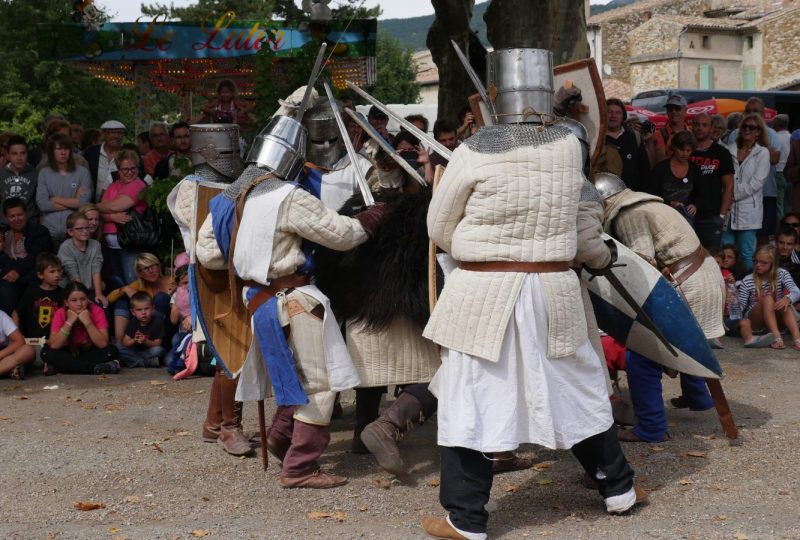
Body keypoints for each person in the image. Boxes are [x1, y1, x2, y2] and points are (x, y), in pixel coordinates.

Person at [420, 50, 641, 540]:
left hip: (485, 292)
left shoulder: (473, 150)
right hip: (553, 288)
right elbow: (581, 216)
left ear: (494, 97)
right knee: (575, 387)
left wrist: (483, 253)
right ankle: (619, 489)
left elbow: (439, 225)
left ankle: (466, 518)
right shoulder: (569, 145)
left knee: (472, 396)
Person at [195, 105, 387, 489]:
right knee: (320, 381)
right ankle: (299, 467)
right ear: (294, 159)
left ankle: (283, 438)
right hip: (295, 299)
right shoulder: (288, 197)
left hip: (258, 303)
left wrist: (246, 250)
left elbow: (206, 254)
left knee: (291, 377)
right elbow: (342, 235)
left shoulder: (227, 200)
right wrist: (371, 218)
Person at [595, 173, 724, 443]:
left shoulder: (629, 214)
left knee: (643, 356)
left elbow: (643, 266)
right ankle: (697, 396)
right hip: (702, 274)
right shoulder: (648, 205)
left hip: (688, 282)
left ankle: (651, 428)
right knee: (689, 342)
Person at [167, 123, 252, 458]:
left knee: (231, 349)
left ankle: (215, 422)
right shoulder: (191, 187)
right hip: (208, 274)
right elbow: (206, 231)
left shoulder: (234, 182)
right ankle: (228, 426)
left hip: (233, 271)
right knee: (230, 348)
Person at [722, 113, 771, 272]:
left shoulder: (762, 153)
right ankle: (727, 288)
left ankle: (749, 291)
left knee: (747, 254)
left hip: (749, 211)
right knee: (725, 253)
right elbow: (724, 178)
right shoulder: (729, 150)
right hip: (728, 211)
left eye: (752, 127)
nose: (747, 129)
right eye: (744, 126)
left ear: (758, 132)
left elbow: (756, 183)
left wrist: (732, 195)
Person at [40, 282, 119, 375]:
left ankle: (61, 367)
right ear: (66, 302)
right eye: (74, 300)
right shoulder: (60, 313)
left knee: (111, 351)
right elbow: (54, 345)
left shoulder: (97, 311)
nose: (79, 304)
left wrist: (88, 322)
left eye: (83, 299)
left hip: (89, 351)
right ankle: (96, 369)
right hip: (68, 351)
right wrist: (69, 322)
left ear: (87, 299)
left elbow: (102, 344)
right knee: (46, 352)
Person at [96, 149, 148, 288]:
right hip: (111, 244)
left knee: (132, 283)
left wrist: (106, 208)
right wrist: (112, 216)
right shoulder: (113, 186)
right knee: (117, 284)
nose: (129, 172)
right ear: (118, 170)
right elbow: (99, 211)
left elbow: (114, 205)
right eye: (125, 169)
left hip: (130, 243)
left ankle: (136, 310)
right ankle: (121, 310)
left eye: (133, 168)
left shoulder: (138, 185)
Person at [738, 245, 800, 350]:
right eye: (756, 261)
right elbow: (740, 308)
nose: (758, 265)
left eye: (763, 262)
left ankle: (797, 339)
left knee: (785, 303)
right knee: (767, 298)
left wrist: (788, 298)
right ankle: (776, 338)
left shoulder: (782, 273)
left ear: (773, 264)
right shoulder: (748, 280)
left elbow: (796, 291)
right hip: (757, 322)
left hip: (777, 319)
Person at [35, 133, 92, 245]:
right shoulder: (44, 173)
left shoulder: (82, 172)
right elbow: (42, 204)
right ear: (52, 151)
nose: (63, 152)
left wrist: (54, 199)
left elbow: (83, 203)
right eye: (58, 149)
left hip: (74, 232)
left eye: (66, 148)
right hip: (49, 231)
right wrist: (73, 202)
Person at [106, 252, 174, 345]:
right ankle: (120, 345)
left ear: (159, 266)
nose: (151, 271)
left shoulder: (172, 281)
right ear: (140, 273)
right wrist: (125, 289)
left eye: (153, 266)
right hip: (145, 328)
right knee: (122, 302)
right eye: (146, 268)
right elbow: (109, 299)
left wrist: (177, 292)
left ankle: (155, 344)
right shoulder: (139, 285)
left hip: (166, 327)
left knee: (161, 297)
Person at [689, 112, 735, 248]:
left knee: (711, 259)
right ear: (691, 126)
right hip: (687, 215)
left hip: (711, 217)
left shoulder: (722, 153)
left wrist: (722, 215)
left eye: (704, 125)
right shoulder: (685, 151)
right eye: (697, 124)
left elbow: (729, 185)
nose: (700, 128)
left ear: (711, 128)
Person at [0, 198, 52, 315]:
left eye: (20, 214)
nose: (17, 219)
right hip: (8, 279)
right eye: (12, 216)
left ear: (26, 214)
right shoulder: (3, 235)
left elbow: (37, 258)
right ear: (6, 218)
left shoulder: (39, 231)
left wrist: (17, 272)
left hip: (32, 278)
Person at [12, 253, 63, 367]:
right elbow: (16, 313)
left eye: (59, 271)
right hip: (31, 341)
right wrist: (18, 335)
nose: (57, 275)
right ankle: (20, 367)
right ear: (40, 275)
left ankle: (44, 364)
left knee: (54, 354)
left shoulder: (62, 294)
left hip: (52, 343)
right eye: (52, 272)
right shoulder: (32, 290)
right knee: (23, 352)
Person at [651, 131, 702, 224]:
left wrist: (695, 205)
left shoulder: (694, 169)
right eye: (681, 150)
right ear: (674, 147)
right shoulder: (660, 168)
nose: (685, 154)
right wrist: (669, 203)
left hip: (686, 221)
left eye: (688, 150)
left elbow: (701, 193)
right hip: (662, 218)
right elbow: (650, 193)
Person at [57, 211, 106, 306]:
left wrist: (99, 294)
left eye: (87, 228)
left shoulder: (95, 245)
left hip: (90, 288)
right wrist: (84, 299)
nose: (85, 231)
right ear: (71, 232)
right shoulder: (66, 247)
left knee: (102, 306)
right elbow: (73, 276)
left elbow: (96, 270)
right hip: (71, 290)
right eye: (80, 229)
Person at [604, 98, 650, 191]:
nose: (613, 116)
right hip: (606, 195)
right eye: (609, 112)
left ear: (623, 117)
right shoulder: (597, 138)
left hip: (632, 193)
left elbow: (644, 168)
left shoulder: (634, 137)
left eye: (618, 113)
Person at [117, 291, 165, 368]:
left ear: (153, 308)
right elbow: (125, 342)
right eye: (139, 310)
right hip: (135, 351)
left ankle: (133, 361)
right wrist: (134, 340)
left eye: (146, 309)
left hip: (149, 351)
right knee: (119, 346)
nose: (143, 312)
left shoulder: (157, 322)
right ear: (133, 312)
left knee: (159, 350)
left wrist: (145, 341)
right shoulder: (132, 322)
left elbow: (158, 343)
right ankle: (145, 363)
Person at [82, 119, 126, 200]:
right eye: (112, 132)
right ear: (104, 134)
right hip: (91, 204)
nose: (116, 136)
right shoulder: (91, 152)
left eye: (120, 133)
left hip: (117, 204)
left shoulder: (128, 154)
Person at [0, 135, 39, 224]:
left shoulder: (35, 174)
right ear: (8, 155)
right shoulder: (1, 174)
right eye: (14, 153)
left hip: (29, 224)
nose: (19, 158)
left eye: (22, 153)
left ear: (27, 154)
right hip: (4, 225)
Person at [0, 306, 35, 380]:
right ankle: (10, 370)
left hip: (6, 356)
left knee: (28, 350)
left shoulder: (1, 316)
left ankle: (9, 370)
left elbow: (20, 341)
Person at [652, 93, 688, 163]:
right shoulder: (659, 135)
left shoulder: (692, 133)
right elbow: (660, 159)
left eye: (677, 108)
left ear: (685, 110)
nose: (673, 112)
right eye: (670, 109)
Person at [773, 114, 792, 218]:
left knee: (778, 204)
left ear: (776, 125)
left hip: (778, 172)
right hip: (790, 173)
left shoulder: (775, 138)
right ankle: (791, 229)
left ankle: (780, 230)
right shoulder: (792, 137)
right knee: (789, 204)